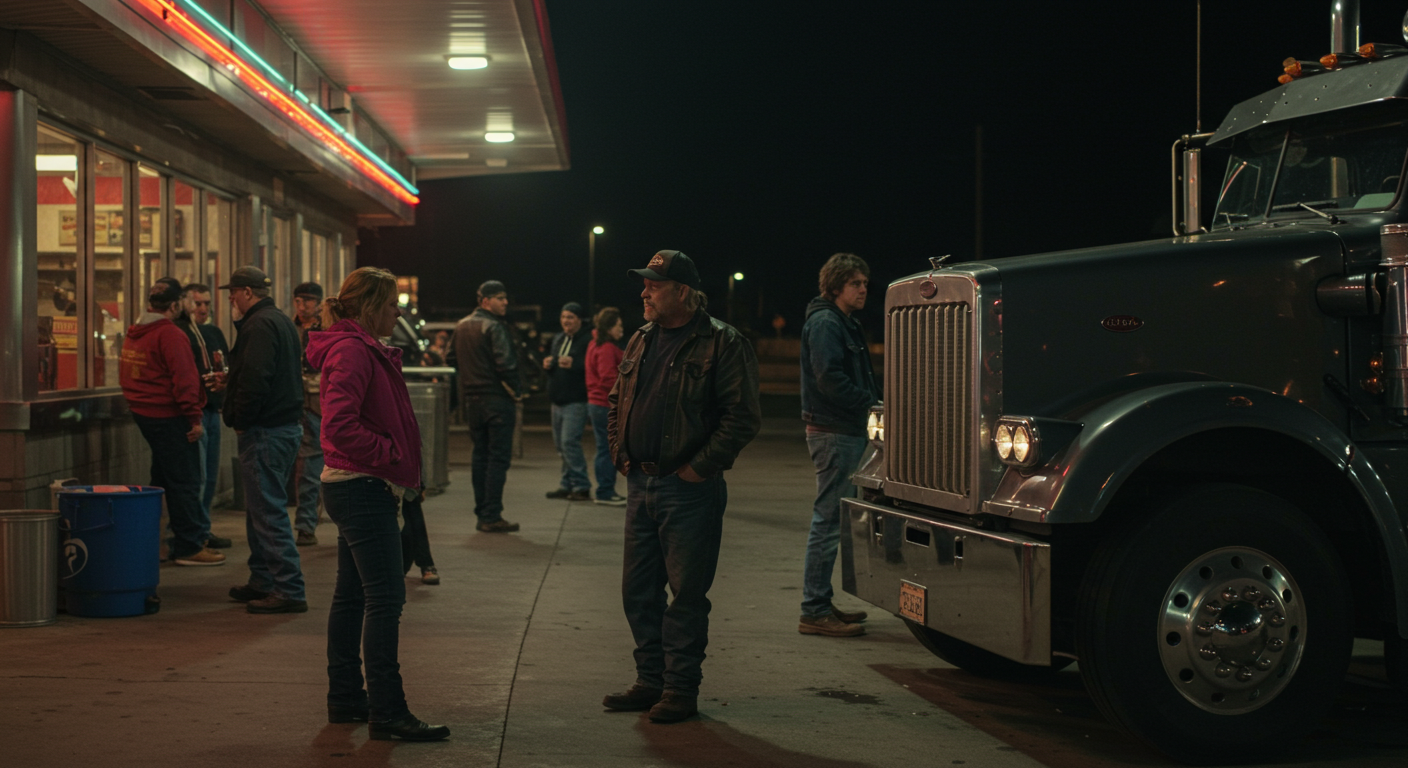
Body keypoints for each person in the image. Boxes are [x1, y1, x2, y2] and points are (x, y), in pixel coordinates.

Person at [603, 250, 761, 723]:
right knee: (638, 591)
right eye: (645, 284)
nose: (644, 293)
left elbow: (741, 417)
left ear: (683, 292)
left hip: (688, 490)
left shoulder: (723, 343)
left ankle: (679, 689)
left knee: (686, 595)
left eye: (654, 285)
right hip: (641, 483)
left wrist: (698, 468)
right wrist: (619, 451)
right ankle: (650, 680)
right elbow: (616, 400)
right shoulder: (641, 339)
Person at [306, 266, 449, 742]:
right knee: (385, 599)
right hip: (362, 486)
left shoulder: (359, 347)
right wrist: (389, 454)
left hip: (358, 485)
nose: (397, 313)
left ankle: (347, 698)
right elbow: (338, 425)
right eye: (391, 305)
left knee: (352, 597)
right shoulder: (352, 350)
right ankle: (387, 710)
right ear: (370, 307)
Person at [797, 253, 881, 638]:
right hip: (834, 432)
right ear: (835, 287)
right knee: (828, 521)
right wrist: (872, 404)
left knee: (832, 519)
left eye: (865, 283)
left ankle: (819, 602)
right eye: (855, 284)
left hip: (842, 430)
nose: (863, 290)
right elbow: (829, 379)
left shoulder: (842, 322)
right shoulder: (826, 323)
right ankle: (814, 610)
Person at [220, 265, 308, 614]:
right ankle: (262, 579)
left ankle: (288, 588)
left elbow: (256, 378)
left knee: (269, 513)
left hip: (266, 430)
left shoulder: (258, 325)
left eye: (233, 294)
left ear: (247, 292)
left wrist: (241, 420)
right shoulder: (280, 320)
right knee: (260, 509)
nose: (231, 301)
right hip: (283, 427)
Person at [119, 280, 226, 567]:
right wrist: (194, 419)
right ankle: (190, 547)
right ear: (176, 304)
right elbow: (185, 381)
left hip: (145, 415)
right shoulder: (170, 334)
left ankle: (158, 542)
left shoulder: (136, 332)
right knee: (186, 481)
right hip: (170, 416)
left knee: (163, 479)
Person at [450, 280, 522, 533]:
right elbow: (506, 364)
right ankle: (491, 515)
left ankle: (482, 512)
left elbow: (450, 358)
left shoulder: (461, 326)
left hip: (472, 401)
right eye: (500, 298)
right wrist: (518, 390)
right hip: (496, 399)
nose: (505, 302)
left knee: (479, 456)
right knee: (497, 458)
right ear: (485, 301)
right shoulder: (494, 326)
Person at [175, 282, 233, 550]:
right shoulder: (180, 333)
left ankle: (203, 527)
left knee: (209, 476)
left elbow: (225, 365)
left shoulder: (213, 332)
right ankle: (191, 532)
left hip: (212, 410)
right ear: (185, 303)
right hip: (192, 413)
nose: (202, 309)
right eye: (197, 303)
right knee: (196, 476)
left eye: (207, 304)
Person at [543, 302, 592, 501]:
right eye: (563, 317)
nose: (566, 321)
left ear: (579, 320)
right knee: (560, 446)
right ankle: (567, 484)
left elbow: (591, 366)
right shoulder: (558, 338)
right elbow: (556, 365)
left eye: (570, 317)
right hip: (557, 400)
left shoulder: (587, 340)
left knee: (569, 443)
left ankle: (581, 486)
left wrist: (576, 364)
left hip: (576, 400)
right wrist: (549, 364)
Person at [292, 281, 325, 547]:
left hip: (320, 404)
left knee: (312, 465)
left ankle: (307, 522)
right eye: (298, 301)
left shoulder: (327, 330)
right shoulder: (289, 328)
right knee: (307, 466)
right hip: (294, 403)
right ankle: (305, 522)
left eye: (308, 301)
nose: (302, 306)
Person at [585, 306, 626, 505]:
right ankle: (605, 491)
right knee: (608, 449)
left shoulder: (595, 344)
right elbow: (608, 378)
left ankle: (604, 490)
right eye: (618, 326)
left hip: (596, 403)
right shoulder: (607, 348)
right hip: (604, 404)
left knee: (604, 447)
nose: (621, 330)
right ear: (609, 327)